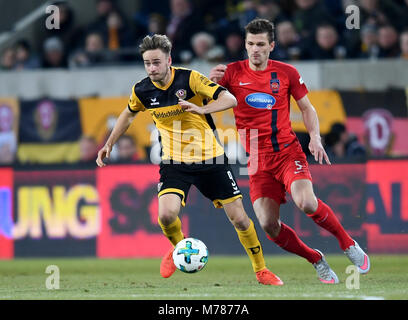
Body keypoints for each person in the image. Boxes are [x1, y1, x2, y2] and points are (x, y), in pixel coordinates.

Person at [96, 34, 283, 286]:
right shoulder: (142, 90)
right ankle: (177, 249)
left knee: (239, 218)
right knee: (166, 216)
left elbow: (230, 99)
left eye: (156, 63)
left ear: (169, 60)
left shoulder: (190, 78)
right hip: (174, 162)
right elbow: (128, 115)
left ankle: (261, 270)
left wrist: (201, 109)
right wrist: (109, 144)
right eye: (147, 63)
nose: (152, 68)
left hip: (211, 159)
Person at [209, 18, 370, 284]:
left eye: (261, 44)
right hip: (258, 161)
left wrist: (315, 138)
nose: (255, 49)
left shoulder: (286, 73)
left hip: (287, 152)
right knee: (269, 226)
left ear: (272, 45)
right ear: (245, 45)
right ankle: (315, 258)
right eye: (250, 44)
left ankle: (348, 244)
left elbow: (307, 108)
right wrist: (210, 82)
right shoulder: (231, 73)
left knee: (306, 202)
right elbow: (206, 95)